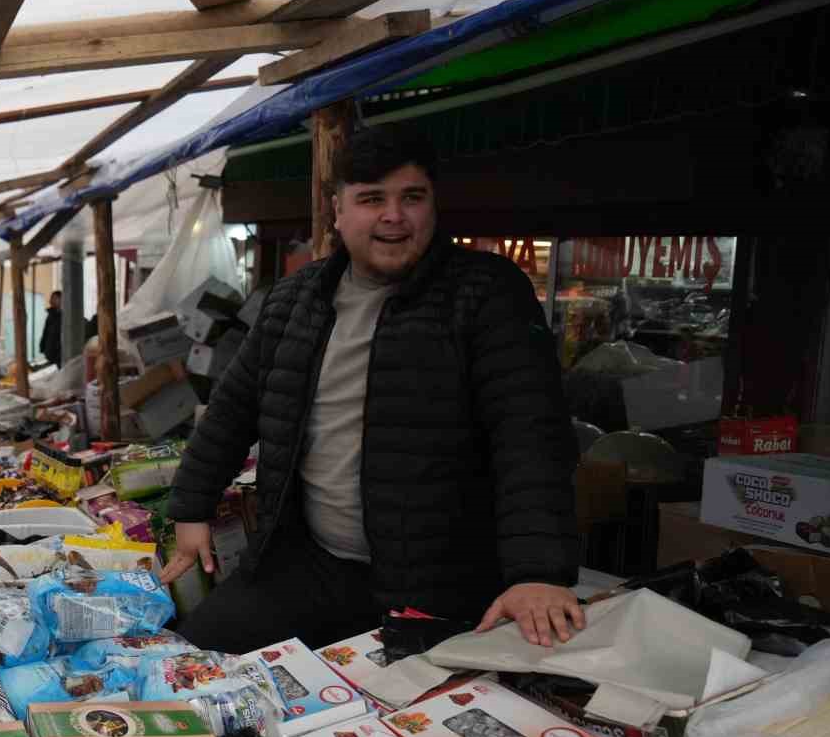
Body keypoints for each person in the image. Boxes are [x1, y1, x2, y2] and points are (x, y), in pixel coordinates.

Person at [161, 126, 581, 652]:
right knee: (196, 654)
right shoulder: (295, 299)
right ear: (338, 211)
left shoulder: (487, 294)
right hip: (308, 564)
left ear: (433, 206)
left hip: (440, 583)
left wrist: (537, 572)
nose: (393, 215)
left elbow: (530, 437)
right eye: (371, 199)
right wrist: (192, 509)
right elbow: (232, 409)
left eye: (412, 197)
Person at [41, 291, 63, 368]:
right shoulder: (51, 315)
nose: (51, 301)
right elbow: (46, 332)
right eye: (51, 298)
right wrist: (42, 346)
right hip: (50, 352)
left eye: (54, 298)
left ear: (61, 299)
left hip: (60, 354)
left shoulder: (67, 315)